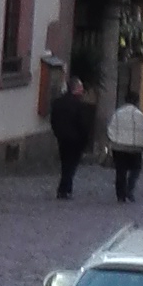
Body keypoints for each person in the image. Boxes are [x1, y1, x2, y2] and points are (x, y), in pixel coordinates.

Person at [49, 70, 95, 201]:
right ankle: (64, 189)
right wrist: (85, 138)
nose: (82, 90)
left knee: (65, 163)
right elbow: (83, 123)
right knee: (71, 165)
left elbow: (53, 120)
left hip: (62, 138)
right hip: (76, 140)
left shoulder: (58, 102)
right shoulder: (80, 105)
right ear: (76, 88)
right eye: (81, 87)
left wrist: (57, 133)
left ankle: (66, 188)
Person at [107, 93, 143, 203]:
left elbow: (111, 129)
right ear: (136, 101)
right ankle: (129, 188)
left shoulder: (117, 113)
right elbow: (142, 132)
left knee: (120, 171)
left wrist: (112, 141)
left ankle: (120, 195)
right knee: (136, 169)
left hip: (119, 147)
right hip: (134, 148)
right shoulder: (139, 115)